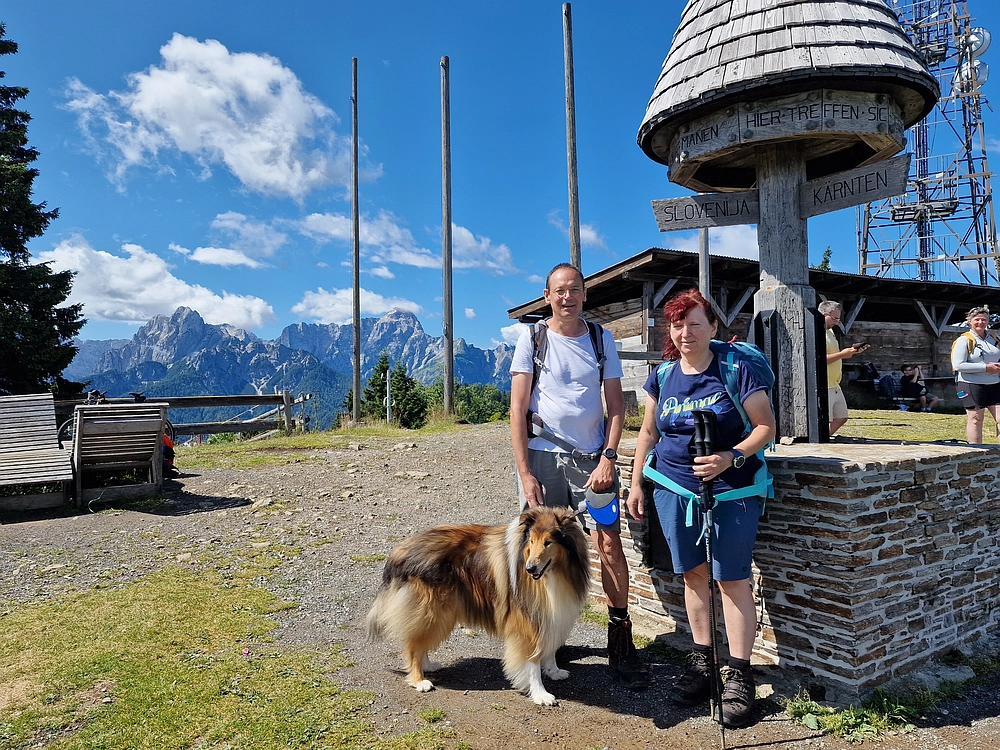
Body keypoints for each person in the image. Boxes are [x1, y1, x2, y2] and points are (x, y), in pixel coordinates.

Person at [627, 288, 775, 729]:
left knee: (732, 579)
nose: (685, 331)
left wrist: (732, 457)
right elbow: (649, 434)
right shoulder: (663, 376)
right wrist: (636, 483)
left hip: (731, 491)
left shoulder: (735, 368)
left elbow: (765, 425)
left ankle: (738, 675)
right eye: (677, 323)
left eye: (695, 323)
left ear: (714, 327)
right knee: (692, 575)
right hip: (674, 488)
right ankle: (703, 662)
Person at [510, 263, 649, 690]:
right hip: (543, 459)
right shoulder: (531, 338)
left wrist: (610, 458)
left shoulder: (600, 338)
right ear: (547, 296)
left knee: (608, 544)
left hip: (593, 464)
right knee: (539, 551)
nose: (567, 297)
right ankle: (545, 638)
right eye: (559, 291)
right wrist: (525, 473)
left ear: (584, 294)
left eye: (574, 290)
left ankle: (620, 639)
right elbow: (517, 410)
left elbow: (617, 406)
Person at [951, 305, 1000, 444]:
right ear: (970, 321)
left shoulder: (994, 338)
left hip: (994, 383)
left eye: (984, 320)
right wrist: (985, 368)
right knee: (976, 419)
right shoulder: (964, 340)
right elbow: (958, 365)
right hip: (970, 384)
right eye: (977, 319)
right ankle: (976, 452)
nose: (980, 322)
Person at [819, 301, 868, 435]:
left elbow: (834, 355)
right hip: (823, 384)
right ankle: (821, 441)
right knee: (824, 420)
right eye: (834, 318)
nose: (837, 322)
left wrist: (851, 352)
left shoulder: (830, 332)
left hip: (835, 383)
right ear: (824, 315)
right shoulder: (816, 332)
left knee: (841, 417)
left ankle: (824, 438)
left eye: (838, 319)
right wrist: (842, 354)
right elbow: (818, 360)